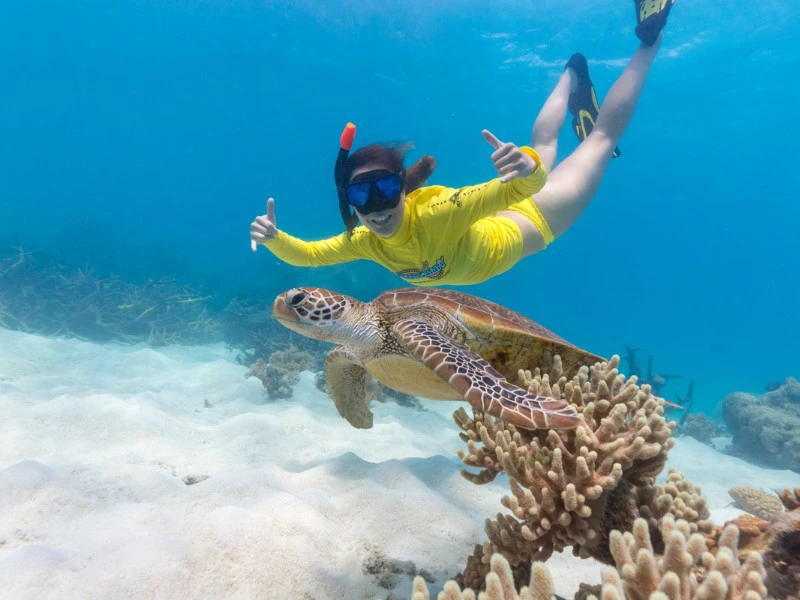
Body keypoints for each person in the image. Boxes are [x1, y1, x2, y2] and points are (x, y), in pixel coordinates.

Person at [250, 1, 675, 287]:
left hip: (535, 220)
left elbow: (521, 189)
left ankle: (649, 39)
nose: (376, 208)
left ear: (402, 187)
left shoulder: (439, 212)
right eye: (362, 194)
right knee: (542, 146)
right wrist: (273, 238)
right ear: (350, 200)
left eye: (383, 188)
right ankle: (573, 74)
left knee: (599, 141)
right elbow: (306, 255)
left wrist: (526, 170)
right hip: (500, 212)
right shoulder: (364, 240)